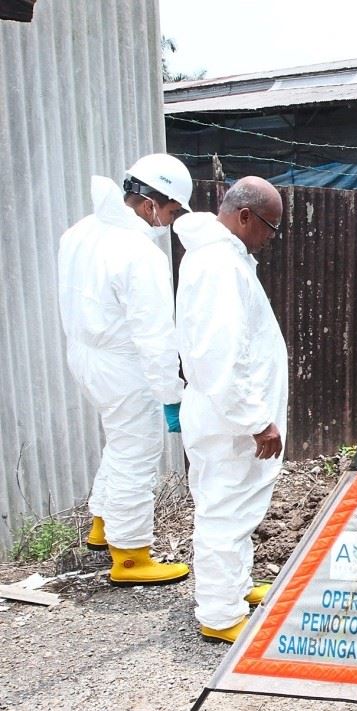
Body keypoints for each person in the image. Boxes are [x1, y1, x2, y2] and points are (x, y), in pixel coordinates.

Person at [57, 153, 193, 585]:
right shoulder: (139, 253)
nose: (168, 222)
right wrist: (172, 396)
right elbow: (155, 337)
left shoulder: (81, 231)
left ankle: (101, 527)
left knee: (119, 441)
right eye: (171, 211)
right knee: (138, 452)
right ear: (152, 200)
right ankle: (131, 556)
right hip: (123, 365)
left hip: (84, 355)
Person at [174, 177, 287, 643]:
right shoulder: (219, 265)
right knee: (223, 509)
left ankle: (234, 590)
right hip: (230, 419)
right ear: (244, 216)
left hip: (228, 415)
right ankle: (220, 615)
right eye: (269, 227)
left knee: (235, 506)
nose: (271, 238)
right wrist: (256, 420)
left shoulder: (226, 259)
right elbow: (222, 353)